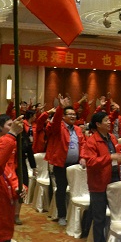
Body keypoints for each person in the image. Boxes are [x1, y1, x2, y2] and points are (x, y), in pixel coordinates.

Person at [81, 112, 121, 242]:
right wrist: (109, 158)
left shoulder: (112, 138)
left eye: (109, 120)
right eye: (106, 120)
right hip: (98, 184)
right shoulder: (92, 141)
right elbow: (91, 162)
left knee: (116, 215)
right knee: (99, 218)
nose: (109, 122)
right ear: (98, 124)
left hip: (114, 179)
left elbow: (117, 155)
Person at [45, 95, 85, 226]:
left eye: (74, 114)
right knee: (61, 189)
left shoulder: (78, 129)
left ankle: (74, 216)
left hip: (75, 164)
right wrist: (60, 109)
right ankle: (62, 215)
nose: (73, 116)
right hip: (61, 164)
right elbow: (55, 123)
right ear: (63, 116)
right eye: (70, 114)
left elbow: (83, 144)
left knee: (76, 189)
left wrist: (83, 157)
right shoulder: (58, 127)